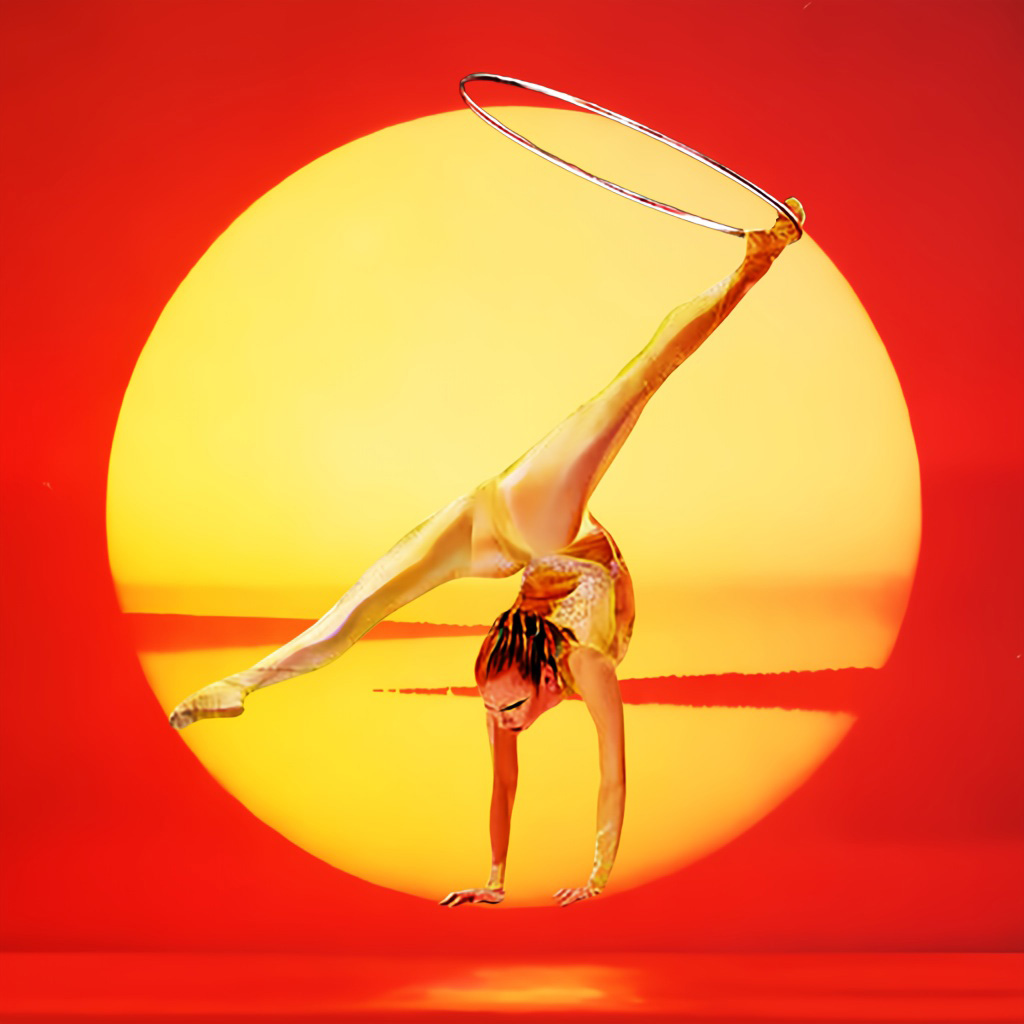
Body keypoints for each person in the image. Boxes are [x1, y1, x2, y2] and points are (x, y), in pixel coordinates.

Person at [169, 198, 805, 905]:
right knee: (362, 605)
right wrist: (501, 882)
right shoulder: (581, 667)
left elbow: (587, 775)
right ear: (542, 676)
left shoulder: (557, 673)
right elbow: (537, 780)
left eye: (505, 710)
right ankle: (241, 684)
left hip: (533, 529)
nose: (504, 722)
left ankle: (756, 262)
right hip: (519, 536)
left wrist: (582, 879)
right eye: (503, 711)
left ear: (535, 676)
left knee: (640, 380)